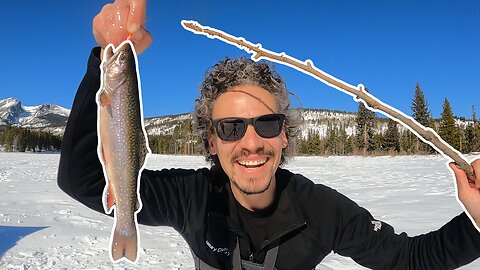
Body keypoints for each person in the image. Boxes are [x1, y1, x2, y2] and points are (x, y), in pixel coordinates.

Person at [58, 0, 480, 269]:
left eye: (267, 123)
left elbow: (410, 258)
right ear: (211, 141)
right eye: (230, 128)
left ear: (284, 135)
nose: (251, 142)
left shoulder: (320, 209)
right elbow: (82, 180)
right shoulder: (191, 196)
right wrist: (105, 59)